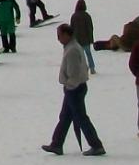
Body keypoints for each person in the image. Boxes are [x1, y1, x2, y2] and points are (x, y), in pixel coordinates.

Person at [42, 23, 105, 157]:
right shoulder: (73, 47)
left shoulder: (72, 50)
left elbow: (74, 74)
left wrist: (68, 85)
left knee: (81, 118)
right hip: (75, 87)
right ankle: (56, 144)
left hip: (74, 89)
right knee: (65, 117)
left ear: (66, 35)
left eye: (59, 36)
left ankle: (96, 145)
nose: (58, 39)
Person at [71, 0, 96, 72]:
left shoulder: (74, 16)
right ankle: (92, 68)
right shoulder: (87, 16)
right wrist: (91, 39)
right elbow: (90, 28)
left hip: (77, 40)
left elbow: (71, 29)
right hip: (86, 40)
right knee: (88, 54)